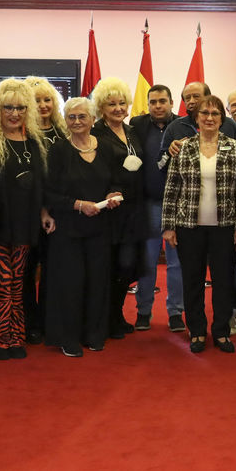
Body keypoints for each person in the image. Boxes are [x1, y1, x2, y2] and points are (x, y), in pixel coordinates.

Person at [161, 95, 236, 353]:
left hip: (225, 226)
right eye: (204, 113)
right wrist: (168, 226)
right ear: (196, 118)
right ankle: (197, 331)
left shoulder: (235, 147)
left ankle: (221, 332)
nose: (209, 118)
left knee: (223, 280)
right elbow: (172, 188)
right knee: (192, 279)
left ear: (222, 119)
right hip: (189, 226)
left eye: (215, 114)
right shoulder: (183, 147)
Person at [43, 97, 125, 356]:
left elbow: (117, 181)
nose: (77, 121)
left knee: (98, 282)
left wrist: (113, 194)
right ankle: (68, 338)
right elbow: (49, 193)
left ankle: (94, 334)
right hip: (68, 230)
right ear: (65, 120)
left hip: (100, 228)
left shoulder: (107, 148)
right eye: (72, 117)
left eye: (82, 116)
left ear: (92, 120)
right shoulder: (58, 151)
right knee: (71, 284)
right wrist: (78, 205)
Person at [0, 79, 49, 359]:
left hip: (25, 225)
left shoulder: (34, 142)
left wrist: (44, 212)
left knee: (18, 283)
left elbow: (40, 185)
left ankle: (15, 337)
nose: (14, 113)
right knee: (3, 284)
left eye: (21, 108)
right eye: (8, 107)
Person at [91, 77, 145, 341]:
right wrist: (108, 191)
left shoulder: (132, 130)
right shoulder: (95, 133)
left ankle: (117, 313)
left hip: (134, 209)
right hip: (110, 210)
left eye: (122, 103)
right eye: (111, 104)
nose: (118, 108)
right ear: (101, 107)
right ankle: (108, 318)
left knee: (129, 265)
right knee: (113, 265)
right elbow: (94, 170)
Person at [130, 85, 185, 332]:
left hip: (178, 204)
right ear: (148, 104)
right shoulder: (137, 125)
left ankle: (175, 312)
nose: (158, 106)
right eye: (153, 102)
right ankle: (143, 311)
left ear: (172, 102)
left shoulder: (183, 126)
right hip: (148, 203)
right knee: (147, 261)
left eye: (162, 101)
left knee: (176, 263)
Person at [23, 76, 67, 343]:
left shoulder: (63, 132)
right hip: (30, 212)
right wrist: (41, 209)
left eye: (47, 99)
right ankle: (30, 322)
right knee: (28, 270)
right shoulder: (24, 134)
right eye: (36, 100)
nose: (42, 105)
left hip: (60, 211)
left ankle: (50, 320)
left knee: (54, 270)